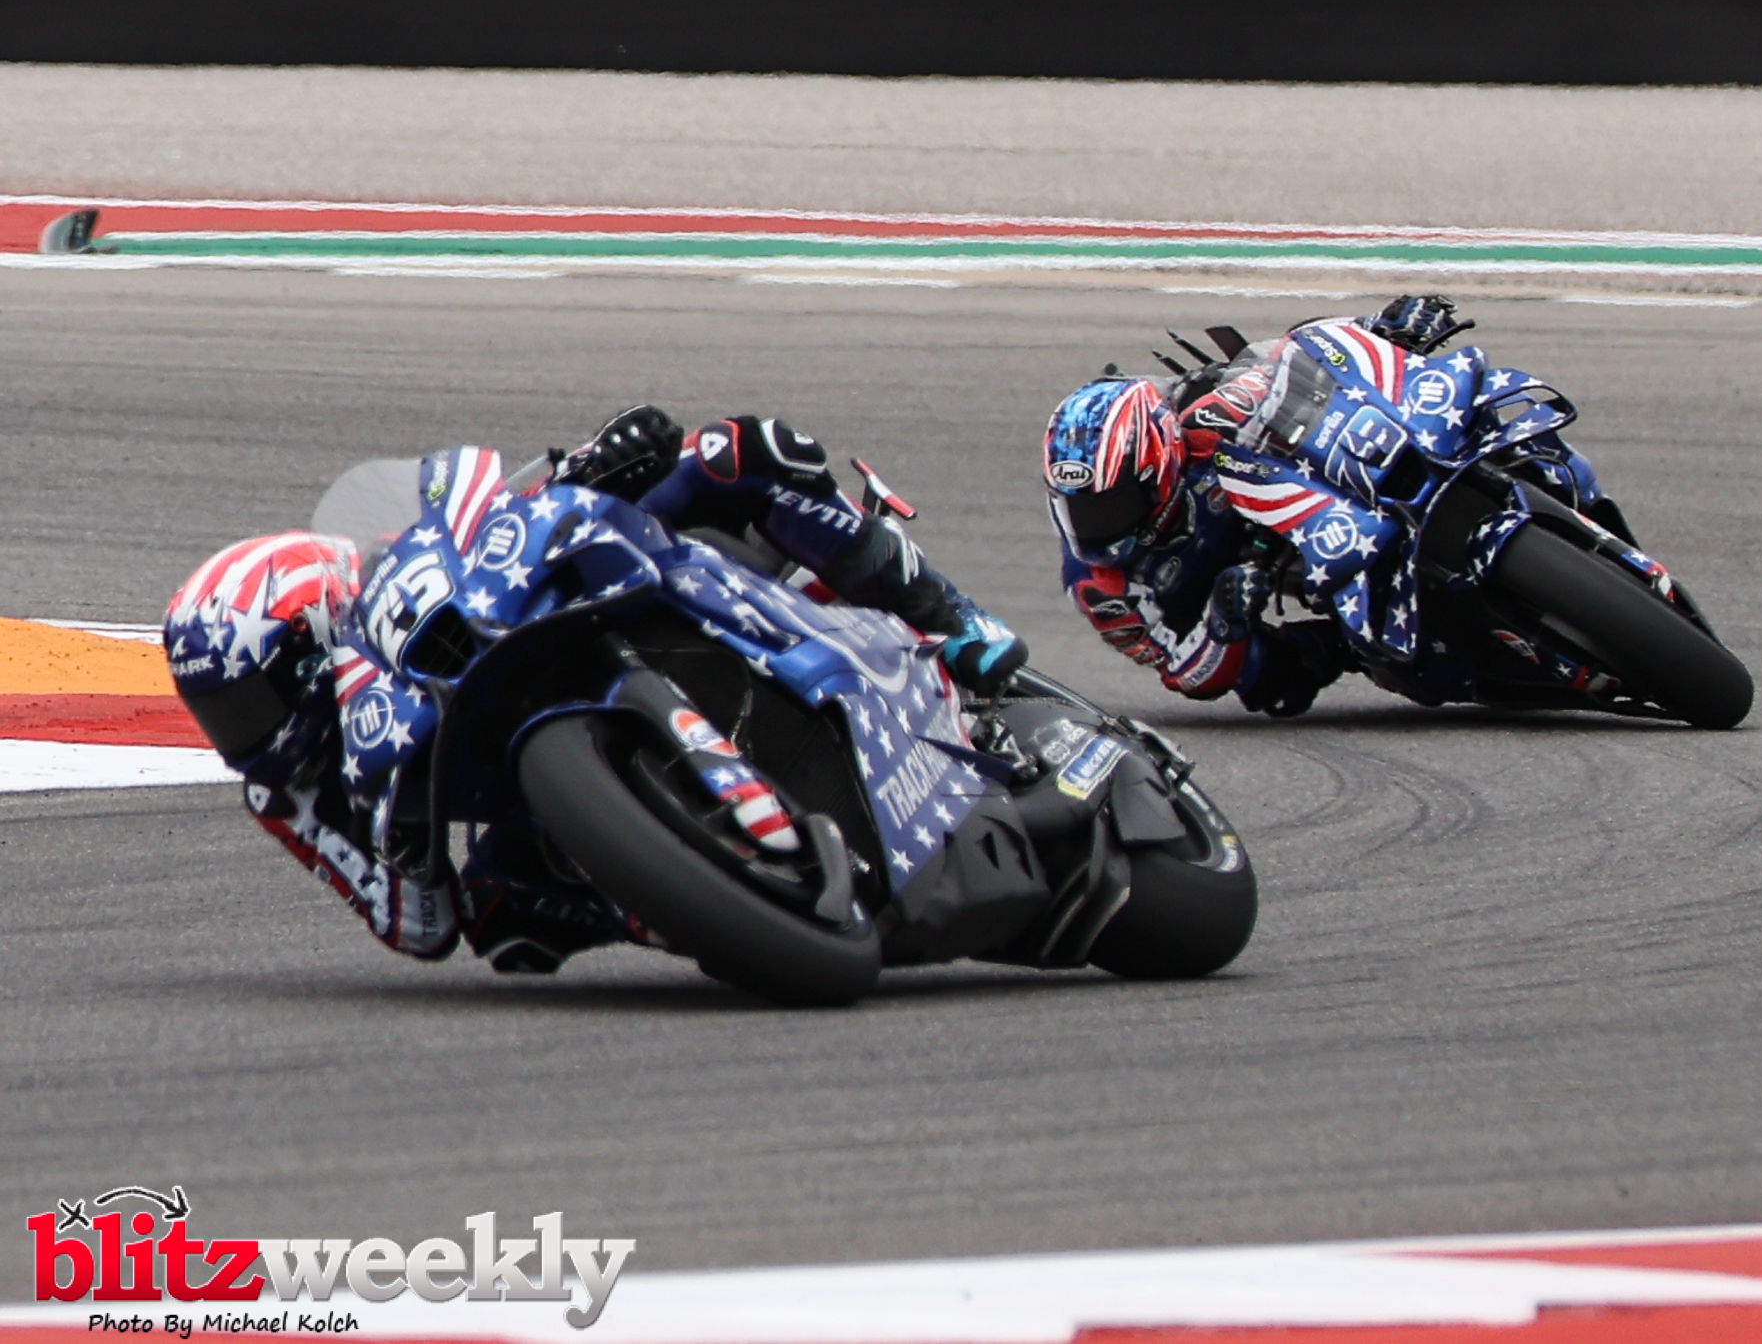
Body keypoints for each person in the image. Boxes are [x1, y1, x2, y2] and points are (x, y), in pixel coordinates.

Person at [165, 407, 1027, 975]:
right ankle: (705, 889)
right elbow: (417, 925)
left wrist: (598, 460)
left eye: (248, 702)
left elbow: (498, 517)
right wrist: (408, 842)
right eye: (220, 715)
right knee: (505, 919)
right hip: (521, 790)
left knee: (736, 451)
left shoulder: (399, 572)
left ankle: (951, 615)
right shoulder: (286, 793)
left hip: (563, 615)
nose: (244, 734)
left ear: (316, 634)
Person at [1042, 296, 1614, 717]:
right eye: (1081, 507)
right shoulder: (1100, 587)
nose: (1096, 524)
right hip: (1255, 583)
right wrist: (1221, 622)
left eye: (1114, 502)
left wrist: (1383, 329)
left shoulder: (1198, 418)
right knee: (1294, 677)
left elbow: (1294, 356)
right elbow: (1182, 672)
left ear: (1160, 462)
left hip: (1313, 491)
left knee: (1521, 445)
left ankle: (1575, 521)